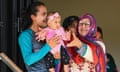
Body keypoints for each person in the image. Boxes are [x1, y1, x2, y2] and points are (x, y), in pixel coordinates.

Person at [18, 1, 61, 72]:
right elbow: (28, 60)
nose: (46, 17)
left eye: (46, 14)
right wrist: (48, 46)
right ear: (33, 17)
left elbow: (52, 62)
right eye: (43, 14)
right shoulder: (25, 36)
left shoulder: (47, 33)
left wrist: (57, 58)